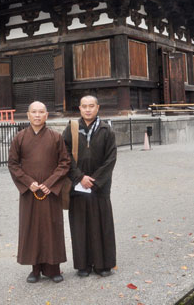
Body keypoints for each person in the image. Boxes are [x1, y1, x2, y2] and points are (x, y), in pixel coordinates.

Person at [7, 101, 70, 283]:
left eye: (41, 112)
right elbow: (13, 164)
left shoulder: (56, 137)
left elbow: (64, 163)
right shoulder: (20, 138)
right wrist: (28, 183)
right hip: (30, 192)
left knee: (52, 227)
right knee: (32, 229)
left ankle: (53, 269)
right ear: (28, 115)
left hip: (50, 192)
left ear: (46, 115)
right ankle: (35, 269)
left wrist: (50, 183)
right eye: (33, 112)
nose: (37, 115)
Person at [62, 95, 117, 277]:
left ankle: (103, 265)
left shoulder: (106, 130)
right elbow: (65, 155)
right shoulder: (72, 128)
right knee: (80, 226)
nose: (87, 109)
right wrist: (79, 177)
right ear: (79, 108)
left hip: (100, 187)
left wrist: (94, 181)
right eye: (84, 106)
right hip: (78, 186)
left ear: (97, 108)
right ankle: (83, 265)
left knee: (101, 225)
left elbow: (111, 159)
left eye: (91, 106)